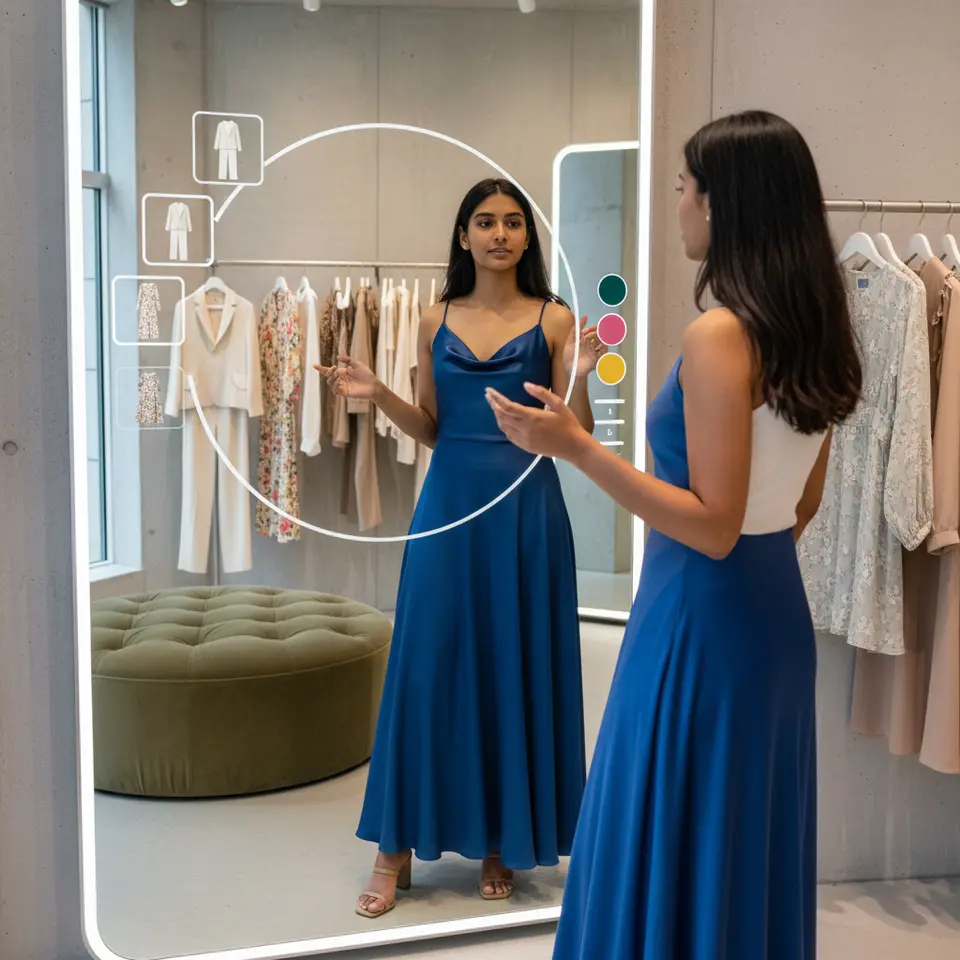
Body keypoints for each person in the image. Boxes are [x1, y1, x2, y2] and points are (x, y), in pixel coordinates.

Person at [487, 111, 863, 959]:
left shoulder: (720, 333)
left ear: (723, 205)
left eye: (686, 188)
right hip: (769, 613)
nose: (679, 204)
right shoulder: (817, 329)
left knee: (663, 818)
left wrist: (576, 447)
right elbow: (796, 510)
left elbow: (713, 525)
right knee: (737, 837)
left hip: (697, 610)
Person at [318, 178, 607, 919]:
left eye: (513, 222)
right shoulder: (431, 318)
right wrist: (377, 394)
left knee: (509, 665)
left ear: (527, 238)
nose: (500, 234)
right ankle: (395, 846)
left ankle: (500, 841)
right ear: (465, 235)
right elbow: (435, 429)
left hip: (526, 514)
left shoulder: (555, 320)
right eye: (486, 222)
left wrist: (577, 375)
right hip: (447, 511)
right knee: (425, 668)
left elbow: (581, 436)